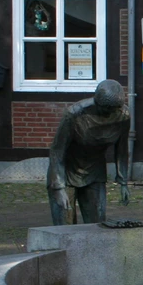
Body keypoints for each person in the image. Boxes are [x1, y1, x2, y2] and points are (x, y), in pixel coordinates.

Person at [47, 79, 131, 225]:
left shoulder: (123, 116)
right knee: (64, 224)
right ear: (97, 102)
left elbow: (122, 149)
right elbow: (57, 151)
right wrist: (58, 187)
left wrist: (123, 182)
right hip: (66, 170)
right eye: (105, 109)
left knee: (97, 223)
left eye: (114, 109)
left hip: (95, 170)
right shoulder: (74, 114)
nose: (109, 113)